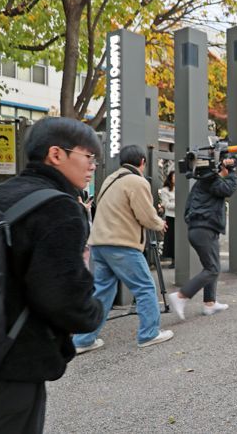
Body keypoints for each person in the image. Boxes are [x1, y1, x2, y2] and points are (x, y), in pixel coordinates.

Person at [0, 117, 103, 433]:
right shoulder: (58, 207)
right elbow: (61, 295)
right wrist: (92, 313)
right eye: (88, 156)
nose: (93, 166)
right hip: (13, 359)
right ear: (55, 154)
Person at [72, 144, 172, 353]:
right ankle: (149, 334)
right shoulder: (137, 181)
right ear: (142, 162)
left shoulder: (111, 179)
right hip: (121, 244)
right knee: (145, 287)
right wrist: (158, 223)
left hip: (99, 243)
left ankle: (83, 340)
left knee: (102, 292)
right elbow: (145, 214)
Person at [167, 156, 237, 320]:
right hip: (204, 229)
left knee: (212, 266)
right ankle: (181, 296)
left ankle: (209, 303)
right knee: (212, 268)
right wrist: (232, 171)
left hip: (200, 229)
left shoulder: (202, 182)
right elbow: (229, 189)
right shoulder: (211, 180)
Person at [160, 171, 176, 269]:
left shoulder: (181, 189)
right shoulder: (165, 190)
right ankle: (173, 260)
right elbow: (165, 204)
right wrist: (178, 204)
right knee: (172, 239)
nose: (175, 178)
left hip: (181, 217)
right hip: (171, 217)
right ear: (170, 178)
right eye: (174, 176)